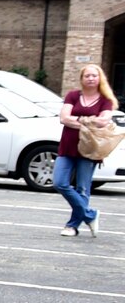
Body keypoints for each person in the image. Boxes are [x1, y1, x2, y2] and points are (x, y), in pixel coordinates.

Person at [54, 62, 116, 237]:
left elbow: (104, 121)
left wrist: (78, 120)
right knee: (59, 182)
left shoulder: (105, 100)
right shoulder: (73, 95)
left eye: (94, 75)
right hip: (67, 146)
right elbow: (64, 118)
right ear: (81, 79)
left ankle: (72, 226)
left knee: (82, 188)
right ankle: (90, 214)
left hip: (89, 149)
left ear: (99, 78)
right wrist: (89, 120)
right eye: (87, 75)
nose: (90, 78)